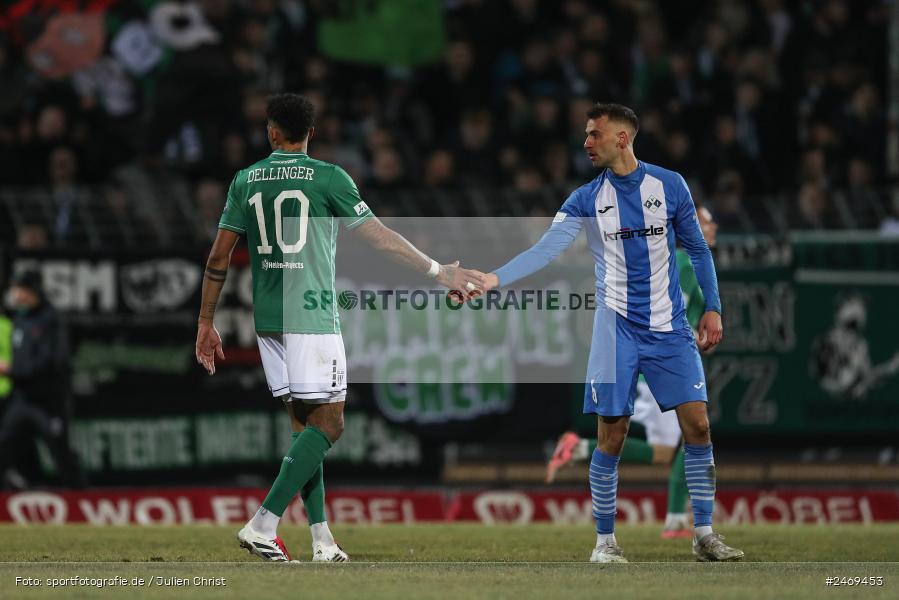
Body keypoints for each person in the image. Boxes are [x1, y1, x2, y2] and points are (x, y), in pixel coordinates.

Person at [194, 93, 479, 563]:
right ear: (312, 131)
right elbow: (381, 239)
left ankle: (322, 541)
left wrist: (206, 321)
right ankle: (263, 523)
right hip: (311, 313)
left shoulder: (245, 180)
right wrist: (439, 272)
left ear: (270, 131)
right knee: (330, 422)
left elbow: (217, 258)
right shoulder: (328, 177)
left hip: (267, 319)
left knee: (305, 428)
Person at [468, 103, 742, 563]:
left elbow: (698, 248)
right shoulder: (584, 199)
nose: (586, 143)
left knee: (697, 427)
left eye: (595, 135)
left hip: (671, 330)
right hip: (616, 331)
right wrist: (493, 280)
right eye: (586, 135)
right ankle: (605, 542)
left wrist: (712, 308)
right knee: (612, 436)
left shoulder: (669, 185)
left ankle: (704, 533)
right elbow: (545, 250)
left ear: (622, 138)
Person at [545, 203, 720, 540]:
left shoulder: (691, 264)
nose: (712, 229)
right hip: (659, 366)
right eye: (705, 222)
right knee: (685, 441)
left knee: (673, 447)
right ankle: (674, 521)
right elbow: (669, 316)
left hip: (662, 364)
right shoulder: (682, 263)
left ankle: (580, 449)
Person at [0, 270, 85, 489]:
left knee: (60, 452)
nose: (14, 294)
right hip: (22, 400)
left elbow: (50, 362)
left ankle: (82, 501)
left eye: (18, 289)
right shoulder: (19, 319)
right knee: (4, 445)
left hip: (48, 402)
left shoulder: (51, 320)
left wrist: (10, 369)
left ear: (31, 291)